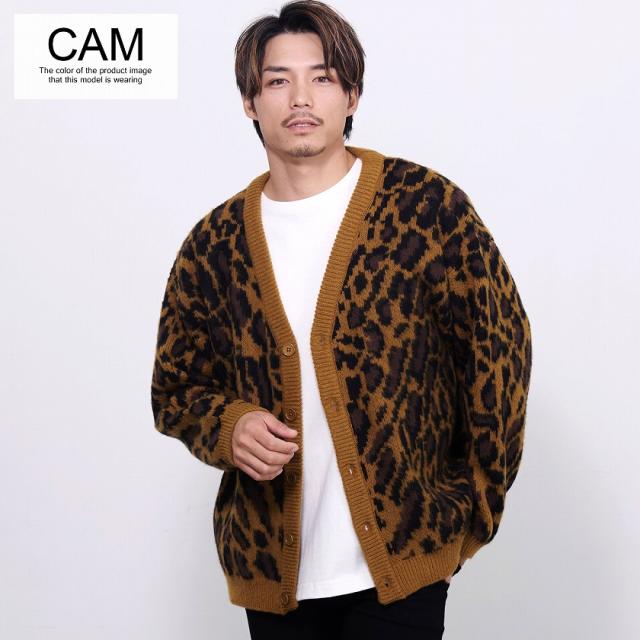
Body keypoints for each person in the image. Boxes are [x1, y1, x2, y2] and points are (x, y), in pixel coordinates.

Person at [150, 2, 533, 638]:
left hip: (403, 569)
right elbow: (174, 390)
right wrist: (227, 425)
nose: (300, 97)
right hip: (274, 577)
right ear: (250, 102)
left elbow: (500, 352)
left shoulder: (425, 208)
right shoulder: (213, 245)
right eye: (277, 80)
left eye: (322, 77)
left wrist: (472, 508)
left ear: (351, 95)